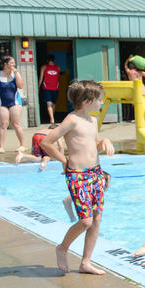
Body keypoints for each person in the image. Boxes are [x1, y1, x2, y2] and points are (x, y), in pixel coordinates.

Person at [39, 80, 113, 275]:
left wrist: (104, 142)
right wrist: (64, 160)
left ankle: (85, 262)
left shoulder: (93, 120)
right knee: (85, 221)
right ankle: (62, 248)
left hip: (95, 173)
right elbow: (46, 142)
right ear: (86, 101)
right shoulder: (72, 120)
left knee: (96, 219)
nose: (101, 103)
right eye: (99, 100)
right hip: (78, 175)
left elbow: (92, 145)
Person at [0, 55, 28, 153]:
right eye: (11, 63)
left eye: (14, 63)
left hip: (15, 102)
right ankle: (1, 146)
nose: (13, 65)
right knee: (3, 124)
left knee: (16, 123)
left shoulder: (15, 74)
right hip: (1, 102)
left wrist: (16, 73)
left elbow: (20, 86)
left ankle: (23, 145)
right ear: (5, 64)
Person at [38, 54, 61, 125]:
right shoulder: (58, 67)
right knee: (54, 104)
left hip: (46, 88)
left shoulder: (44, 67)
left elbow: (41, 78)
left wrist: (38, 87)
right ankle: (53, 118)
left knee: (49, 104)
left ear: (47, 60)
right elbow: (57, 78)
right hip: (55, 88)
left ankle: (52, 119)